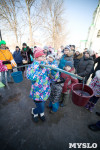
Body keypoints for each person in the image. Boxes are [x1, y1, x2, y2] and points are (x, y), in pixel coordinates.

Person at [26, 48, 59, 123]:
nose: (44, 59)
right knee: (40, 106)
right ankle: (34, 112)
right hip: (37, 92)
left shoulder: (47, 66)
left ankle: (40, 113)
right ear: (36, 58)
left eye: (44, 57)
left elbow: (55, 78)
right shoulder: (32, 66)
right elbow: (31, 77)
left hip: (45, 90)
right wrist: (37, 66)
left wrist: (54, 70)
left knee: (41, 105)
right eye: (42, 57)